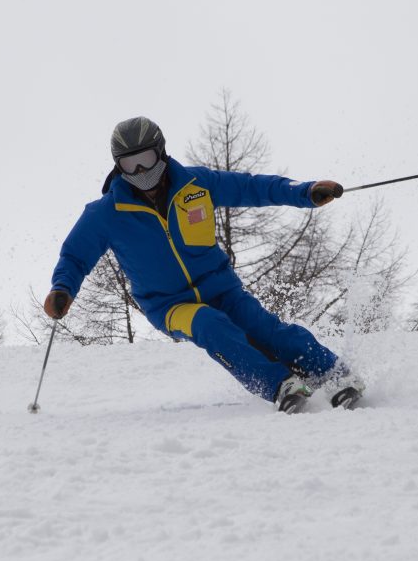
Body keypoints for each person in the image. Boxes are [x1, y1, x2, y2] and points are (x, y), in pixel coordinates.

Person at [44, 116, 366, 413]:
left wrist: (304, 192)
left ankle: (336, 375)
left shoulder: (196, 184)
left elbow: (252, 187)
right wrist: (62, 289)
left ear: (162, 152)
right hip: (169, 305)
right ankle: (281, 385)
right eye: (130, 163)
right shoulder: (106, 213)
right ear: (118, 166)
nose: (141, 171)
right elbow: (75, 255)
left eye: (146, 159)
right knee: (211, 327)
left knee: (266, 329)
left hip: (221, 287)